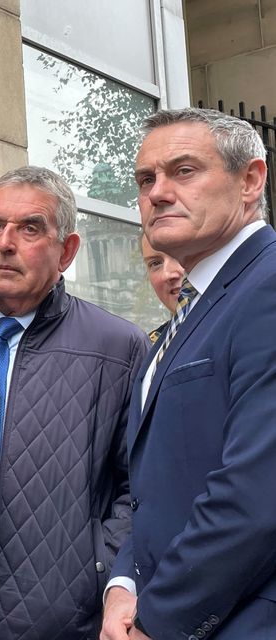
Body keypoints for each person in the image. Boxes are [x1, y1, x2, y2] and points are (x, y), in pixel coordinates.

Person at [101, 108, 276, 639]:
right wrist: (124, 588)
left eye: (183, 171)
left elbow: (255, 495)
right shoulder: (186, 317)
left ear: (250, 180)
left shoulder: (266, 286)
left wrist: (158, 623)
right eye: (145, 179)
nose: (156, 193)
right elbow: (153, 490)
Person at [0, 165, 148, 640]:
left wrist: (99, 567)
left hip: (56, 611)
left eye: (30, 228)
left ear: (67, 251)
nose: (6, 242)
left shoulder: (118, 346)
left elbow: (139, 485)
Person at [140, 233, 184, 342]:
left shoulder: (230, 327)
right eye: (155, 263)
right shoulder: (149, 347)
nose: (167, 274)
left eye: (181, 255)